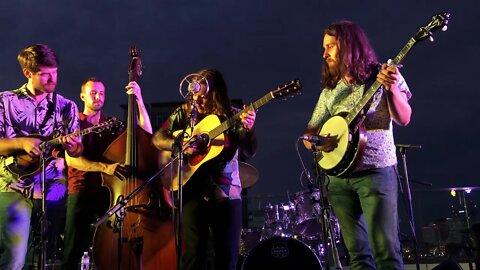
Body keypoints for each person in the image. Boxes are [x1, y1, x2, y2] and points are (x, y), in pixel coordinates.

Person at [303, 21, 412, 270]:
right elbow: (310, 131)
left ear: (348, 45)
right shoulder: (330, 91)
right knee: (357, 256)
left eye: (330, 46)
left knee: (386, 252)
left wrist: (392, 88)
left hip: (376, 172)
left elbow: (404, 118)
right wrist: (318, 142)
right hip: (338, 179)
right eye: (324, 47)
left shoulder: (383, 74)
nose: (325, 53)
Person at [152, 68, 257, 270]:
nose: (197, 102)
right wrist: (177, 143)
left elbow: (250, 150)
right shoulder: (184, 112)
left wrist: (249, 130)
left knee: (226, 259)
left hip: (226, 195)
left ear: (215, 94)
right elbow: (158, 137)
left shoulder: (233, 116)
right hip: (192, 192)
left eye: (203, 97)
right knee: (192, 257)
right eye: (194, 96)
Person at [0, 44, 83, 270]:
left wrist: (74, 146)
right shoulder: (5, 101)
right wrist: (21, 142)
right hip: (13, 186)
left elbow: (76, 151)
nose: (52, 79)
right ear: (28, 73)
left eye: (55, 72)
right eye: (45, 74)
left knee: (49, 257)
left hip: (53, 189)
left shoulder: (67, 107)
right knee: (15, 258)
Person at [61, 77, 153, 269]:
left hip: (109, 194)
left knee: (112, 249)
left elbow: (146, 134)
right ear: (82, 96)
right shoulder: (74, 124)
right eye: (93, 93)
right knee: (72, 250)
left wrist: (139, 100)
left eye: (101, 93)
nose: (98, 97)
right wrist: (105, 168)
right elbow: (72, 160)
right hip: (81, 191)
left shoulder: (110, 124)